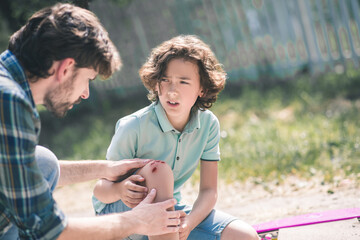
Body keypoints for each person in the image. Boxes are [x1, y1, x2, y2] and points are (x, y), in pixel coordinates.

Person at [0, 3, 185, 240]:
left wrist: (104, 168)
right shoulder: (10, 103)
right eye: (88, 78)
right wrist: (135, 220)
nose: (86, 93)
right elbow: (47, 228)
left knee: (43, 161)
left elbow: (23, 169)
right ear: (66, 68)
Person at [93, 35, 259, 240]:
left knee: (245, 236)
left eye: (183, 82)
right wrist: (120, 190)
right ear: (155, 83)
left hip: (168, 213)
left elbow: (209, 191)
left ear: (202, 89)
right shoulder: (133, 126)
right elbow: (100, 190)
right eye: (165, 80)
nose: (172, 90)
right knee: (158, 170)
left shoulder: (208, 124)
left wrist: (188, 224)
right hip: (119, 220)